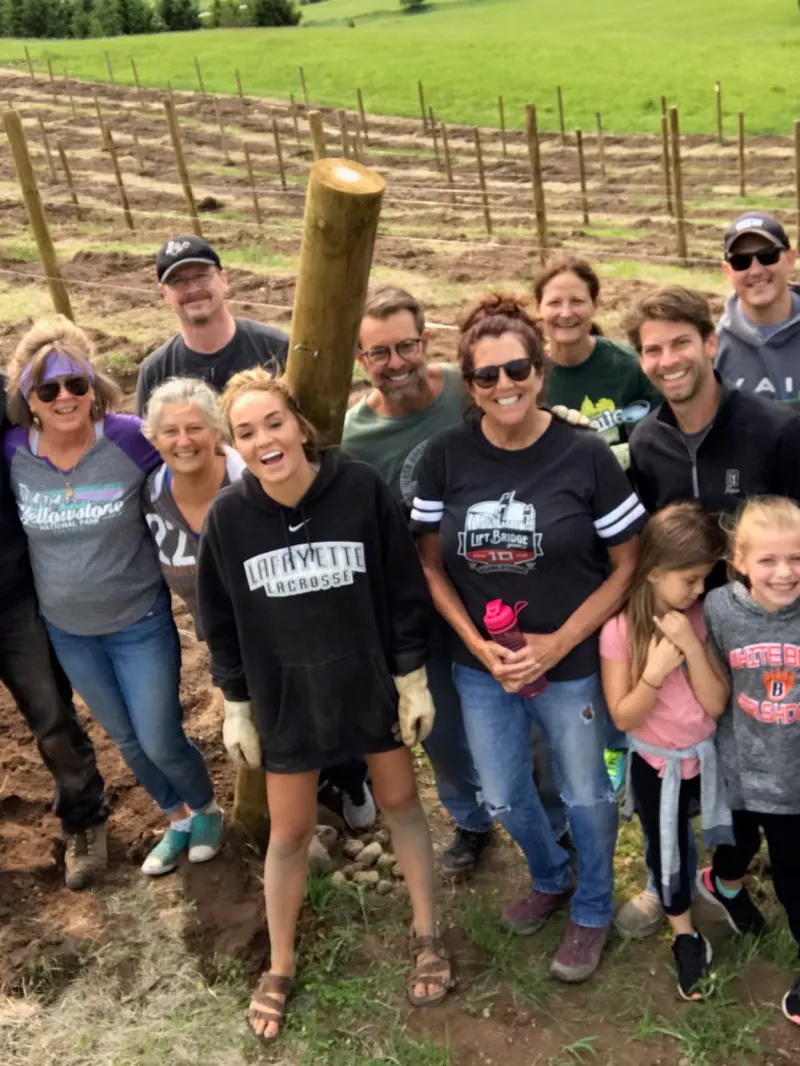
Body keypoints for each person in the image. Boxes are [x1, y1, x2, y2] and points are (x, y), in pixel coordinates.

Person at [197, 368, 452, 1040]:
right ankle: (279, 963)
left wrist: (410, 676)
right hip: (288, 697)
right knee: (289, 833)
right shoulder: (229, 519)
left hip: (367, 683)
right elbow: (219, 622)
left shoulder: (360, 490)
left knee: (401, 804)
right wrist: (238, 704)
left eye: (274, 423)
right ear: (236, 447)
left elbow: (402, 588)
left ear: (301, 426)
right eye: (246, 433)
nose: (264, 440)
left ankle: (428, 934)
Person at [412, 294, 644, 983]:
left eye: (517, 369)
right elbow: (428, 563)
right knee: (506, 795)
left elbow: (628, 564)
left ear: (539, 373)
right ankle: (553, 873)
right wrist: (479, 648)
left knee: (586, 792)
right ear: (469, 384)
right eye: (486, 376)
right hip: (481, 668)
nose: (504, 385)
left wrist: (558, 640)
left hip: (570, 665)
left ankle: (594, 909)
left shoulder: (584, 454)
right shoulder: (445, 457)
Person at [4, 317, 223, 878]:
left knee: (159, 736)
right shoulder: (13, 452)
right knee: (126, 741)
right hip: (68, 630)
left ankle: (206, 809)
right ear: (27, 397)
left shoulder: (128, 438)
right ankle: (174, 819)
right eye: (47, 388)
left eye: (76, 383)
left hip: (138, 621)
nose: (64, 397)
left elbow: (192, 460)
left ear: (93, 385)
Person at [617, 285, 800, 939]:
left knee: (760, 765)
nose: (668, 360)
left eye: (680, 343)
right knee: (670, 762)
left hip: (762, 637)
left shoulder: (774, 429)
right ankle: (666, 878)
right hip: (682, 633)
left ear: (711, 342)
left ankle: (732, 868)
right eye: (652, 349)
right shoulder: (647, 444)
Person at [142, 376, 374, 831]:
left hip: (292, 625)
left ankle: (350, 777)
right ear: (154, 439)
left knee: (325, 709)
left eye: (195, 428)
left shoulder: (249, 478)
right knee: (269, 727)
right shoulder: (152, 495)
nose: (184, 442)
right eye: (170, 432)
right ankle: (296, 810)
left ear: (217, 433)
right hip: (228, 633)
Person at [343, 285, 494, 874]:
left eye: (405, 345)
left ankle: (551, 818)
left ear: (426, 340)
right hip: (421, 603)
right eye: (378, 353)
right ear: (361, 361)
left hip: (500, 583)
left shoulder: (465, 389)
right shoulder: (354, 439)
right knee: (442, 726)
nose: (396, 362)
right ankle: (471, 819)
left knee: (525, 712)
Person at [600, 503, 730, 1000]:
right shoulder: (619, 632)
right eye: (692, 579)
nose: (700, 589)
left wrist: (692, 649)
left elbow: (715, 702)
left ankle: (724, 886)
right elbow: (623, 716)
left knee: (725, 833)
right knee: (666, 846)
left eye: (704, 580)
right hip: (657, 765)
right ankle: (684, 933)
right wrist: (654, 670)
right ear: (654, 572)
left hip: (707, 757)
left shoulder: (699, 619)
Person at [0, 373, 109, 890]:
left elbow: (60, 432)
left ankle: (85, 821)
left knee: (50, 718)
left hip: (12, 599)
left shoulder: (6, 399)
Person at [702, 497, 800, 1026]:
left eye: (798, 559)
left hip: (795, 777)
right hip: (738, 769)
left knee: (794, 878)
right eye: (768, 560)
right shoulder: (718, 609)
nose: (784, 572)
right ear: (739, 560)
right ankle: (723, 886)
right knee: (734, 850)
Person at [135, 236, 288, 416]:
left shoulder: (277, 349)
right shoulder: (155, 371)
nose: (192, 289)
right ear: (164, 293)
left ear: (223, 280)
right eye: (178, 281)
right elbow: (147, 441)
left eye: (201, 276)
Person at [534, 255, 660, 464]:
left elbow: (659, 444)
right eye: (554, 302)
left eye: (577, 301)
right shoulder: (525, 376)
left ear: (595, 304)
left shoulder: (631, 367)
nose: (566, 313)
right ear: (538, 307)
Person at [716, 212, 800, 405]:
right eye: (741, 262)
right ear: (727, 271)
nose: (755, 271)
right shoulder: (714, 349)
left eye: (767, 256)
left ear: (790, 259)